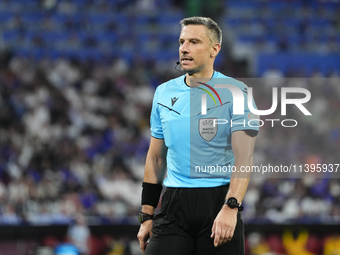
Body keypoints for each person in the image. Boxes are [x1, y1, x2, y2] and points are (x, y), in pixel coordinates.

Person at [137, 16, 259, 255]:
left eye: (194, 42)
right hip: (172, 205)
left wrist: (231, 207)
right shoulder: (163, 92)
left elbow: (244, 158)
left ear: (215, 49)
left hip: (218, 201)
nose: (184, 48)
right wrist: (146, 214)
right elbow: (156, 159)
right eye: (182, 41)